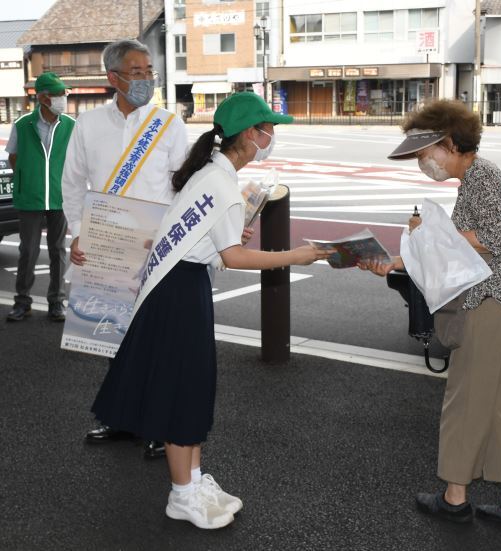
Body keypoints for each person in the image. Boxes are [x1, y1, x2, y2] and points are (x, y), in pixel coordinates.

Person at [90, 91, 332, 529]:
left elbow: (215, 248)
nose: (272, 136)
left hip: (180, 288)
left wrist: (231, 233)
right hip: (180, 294)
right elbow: (234, 258)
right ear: (250, 135)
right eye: (268, 129)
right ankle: (182, 494)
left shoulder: (211, 175)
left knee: (193, 387)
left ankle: (194, 480)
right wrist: (296, 255)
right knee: (184, 389)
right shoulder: (222, 185)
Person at [360, 99, 501, 530]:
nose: (424, 164)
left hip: (490, 309)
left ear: (448, 143)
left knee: (464, 404)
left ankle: (455, 497)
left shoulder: (482, 177)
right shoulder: (481, 177)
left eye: (426, 154)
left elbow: (495, 235)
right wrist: (402, 257)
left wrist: (432, 234)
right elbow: (465, 247)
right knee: (500, 409)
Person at [61, 39, 188, 459]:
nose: (146, 80)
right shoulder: (88, 125)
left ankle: (157, 424)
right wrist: (80, 231)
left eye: (150, 71)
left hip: (156, 248)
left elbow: (183, 185)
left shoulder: (168, 124)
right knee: (112, 336)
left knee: (155, 338)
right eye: (137, 72)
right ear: (112, 77)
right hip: (108, 246)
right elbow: (73, 183)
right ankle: (121, 419)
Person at [5, 72, 75, 322]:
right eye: (58, 94)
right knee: (29, 250)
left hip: (59, 197)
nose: (62, 99)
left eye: (63, 94)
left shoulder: (70, 125)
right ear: (43, 98)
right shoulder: (23, 125)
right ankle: (22, 302)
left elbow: (77, 162)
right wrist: (29, 178)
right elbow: (13, 157)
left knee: (58, 250)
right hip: (31, 198)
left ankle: (56, 301)